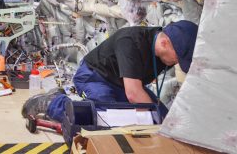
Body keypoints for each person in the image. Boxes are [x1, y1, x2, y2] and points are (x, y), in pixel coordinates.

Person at [23, 20, 199, 122]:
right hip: (94, 77)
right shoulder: (131, 41)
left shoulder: (166, 52)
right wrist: (151, 123)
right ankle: (53, 103)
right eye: (178, 57)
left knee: (164, 119)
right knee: (105, 119)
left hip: (123, 82)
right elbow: (134, 94)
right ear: (164, 43)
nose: (176, 62)